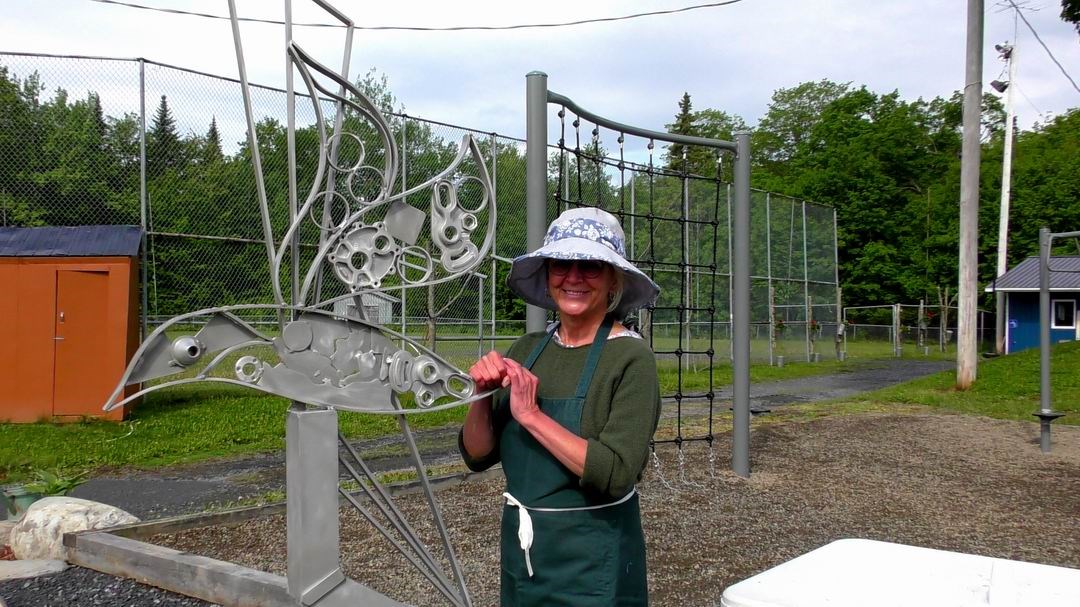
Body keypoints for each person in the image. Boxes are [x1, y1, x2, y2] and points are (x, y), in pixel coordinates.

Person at [458, 207, 662, 606]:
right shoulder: (529, 350)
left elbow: (616, 472)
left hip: (593, 561)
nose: (573, 278)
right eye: (561, 265)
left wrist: (531, 416)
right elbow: (477, 454)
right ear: (547, 275)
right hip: (525, 553)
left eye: (590, 267)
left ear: (613, 280)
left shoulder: (630, 360)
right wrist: (480, 396)